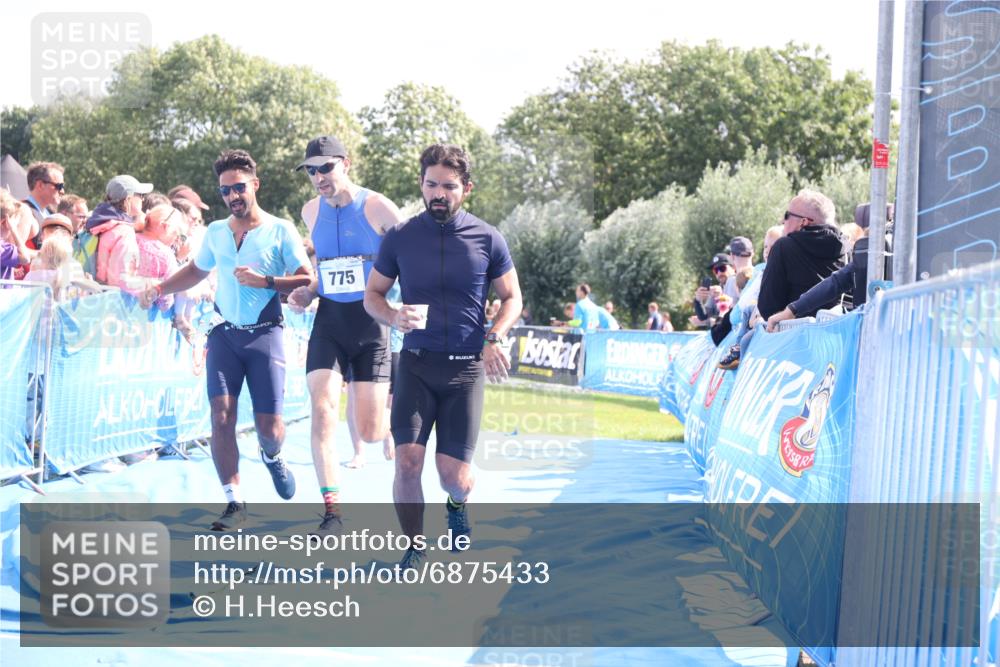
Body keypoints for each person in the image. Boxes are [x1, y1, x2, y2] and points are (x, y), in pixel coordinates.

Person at [364, 143, 522, 571]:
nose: (438, 193)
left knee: (454, 478)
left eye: (448, 186)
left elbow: (512, 297)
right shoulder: (400, 237)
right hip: (416, 365)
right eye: (431, 184)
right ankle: (415, 547)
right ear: (421, 184)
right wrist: (393, 315)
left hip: (465, 373)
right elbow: (372, 294)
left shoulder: (487, 238)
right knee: (407, 462)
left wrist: (494, 336)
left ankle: (457, 505)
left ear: (466, 189)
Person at [139, 149, 313, 530]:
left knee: (270, 430)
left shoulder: (280, 230)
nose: (232, 196)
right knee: (220, 417)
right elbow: (196, 270)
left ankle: (272, 455)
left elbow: (307, 279)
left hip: (265, 335)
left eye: (238, 188)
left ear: (255, 185)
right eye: (224, 191)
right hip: (223, 334)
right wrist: (160, 287)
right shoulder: (217, 232)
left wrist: (266, 281)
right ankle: (235, 503)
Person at [284, 135, 403, 535]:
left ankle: (390, 421)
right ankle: (332, 512)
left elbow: (412, 255)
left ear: (345, 164)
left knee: (370, 432)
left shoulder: (378, 206)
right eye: (311, 171)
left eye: (326, 167)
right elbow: (328, 269)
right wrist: (309, 291)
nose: (318, 177)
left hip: (372, 323)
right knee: (322, 410)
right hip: (330, 322)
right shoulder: (309, 211)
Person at [718, 189, 847, 369]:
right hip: (832, 350)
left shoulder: (784, 247)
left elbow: (767, 308)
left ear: (803, 222)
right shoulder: (845, 249)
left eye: (787, 216)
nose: (782, 220)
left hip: (788, 349)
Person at [85, 175, 152, 294]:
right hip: (110, 299)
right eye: (141, 195)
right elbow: (122, 281)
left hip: (89, 295)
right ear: (128, 199)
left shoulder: (97, 223)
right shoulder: (123, 232)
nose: (143, 199)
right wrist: (152, 284)